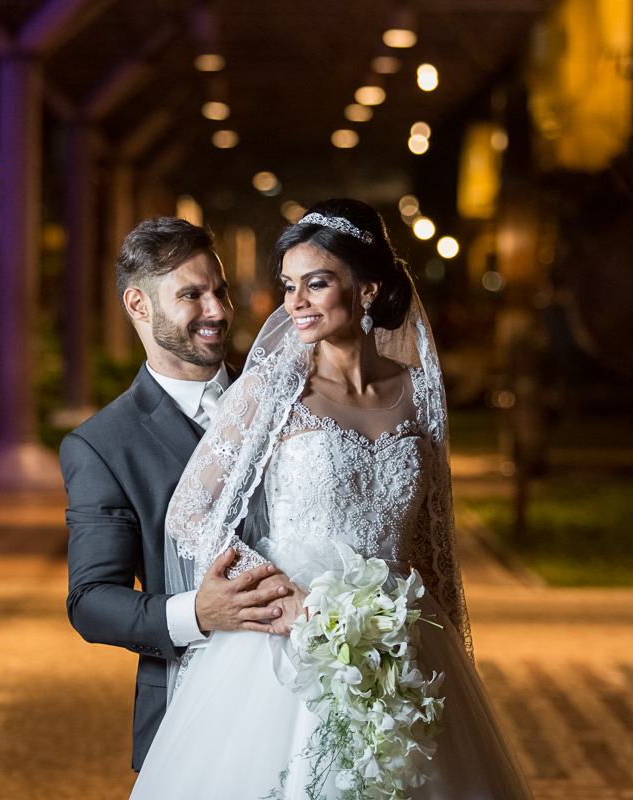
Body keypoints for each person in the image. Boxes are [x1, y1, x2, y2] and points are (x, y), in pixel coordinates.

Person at [131, 200, 533, 798]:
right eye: (289, 285)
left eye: (316, 283)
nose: (295, 301)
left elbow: (433, 547)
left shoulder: (416, 394)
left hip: (401, 645)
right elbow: (192, 513)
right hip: (284, 649)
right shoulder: (272, 392)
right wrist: (273, 597)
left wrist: (453, 661)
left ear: (367, 288)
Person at [61, 217, 294, 772]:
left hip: (313, 692)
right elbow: (90, 601)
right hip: (192, 712)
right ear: (139, 305)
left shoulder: (290, 402)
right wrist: (199, 611)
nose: (217, 311)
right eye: (192, 295)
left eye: (220, 290)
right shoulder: (102, 444)